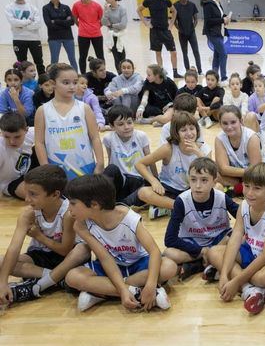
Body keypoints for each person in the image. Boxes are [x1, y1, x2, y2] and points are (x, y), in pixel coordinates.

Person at [64, 174, 177, 311]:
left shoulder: (127, 217)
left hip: (137, 264)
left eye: (73, 203)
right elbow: (105, 258)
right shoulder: (80, 225)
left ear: (94, 204)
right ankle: (135, 292)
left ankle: (101, 293)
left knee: (169, 267)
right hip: (110, 268)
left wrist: (151, 285)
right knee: (72, 277)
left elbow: (154, 251)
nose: (69, 209)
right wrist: (123, 290)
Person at [203, 163, 265, 314]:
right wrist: (224, 275)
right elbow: (235, 239)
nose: (249, 193)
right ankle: (251, 289)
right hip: (252, 253)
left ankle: (245, 282)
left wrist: (235, 281)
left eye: (257, 188)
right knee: (213, 252)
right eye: (246, 186)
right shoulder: (244, 205)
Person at [0, 166, 80, 305]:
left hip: (66, 258)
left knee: (81, 251)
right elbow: (14, 249)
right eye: (26, 193)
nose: (26, 199)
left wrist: (39, 236)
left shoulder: (68, 213)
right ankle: (55, 279)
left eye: (33, 194)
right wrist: (3, 282)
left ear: (55, 194)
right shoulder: (28, 214)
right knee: (2, 261)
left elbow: (65, 250)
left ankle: (46, 280)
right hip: (40, 256)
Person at [163, 157, 238, 280]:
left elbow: (243, 219)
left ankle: (196, 265)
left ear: (214, 182)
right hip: (194, 242)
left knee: (237, 237)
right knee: (169, 253)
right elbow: (170, 239)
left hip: (219, 240)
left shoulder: (222, 197)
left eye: (204, 180)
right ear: (189, 180)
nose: (198, 185)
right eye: (193, 180)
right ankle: (211, 262)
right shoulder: (181, 201)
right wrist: (202, 251)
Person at [136, 112, 212, 219]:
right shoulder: (169, 148)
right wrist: (154, 181)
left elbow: (213, 175)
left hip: (193, 190)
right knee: (143, 192)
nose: (189, 133)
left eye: (192, 128)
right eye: (183, 130)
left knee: (217, 187)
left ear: (197, 130)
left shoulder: (204, 149)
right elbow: (140, 164)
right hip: (169, 189)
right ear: (176, 133)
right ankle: (184, 207)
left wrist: (198, 153)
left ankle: (168, 207)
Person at [34, 63, 103, 179]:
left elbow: (95, 137)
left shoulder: (84, 108)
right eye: (66, 83)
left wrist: (100, 163)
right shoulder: (42, 111)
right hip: (56, 170)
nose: (72, 86)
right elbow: (39, 142)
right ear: (52, 83)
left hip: (86, 167)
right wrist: (45, 166)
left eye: (75, 82)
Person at [102, 105, 153, 206]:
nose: (126, 127)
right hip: (122, 181)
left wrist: (154, 179)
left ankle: (122, 204)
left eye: (129, 122)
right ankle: (109, 202)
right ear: (112, 127)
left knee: (140, 189)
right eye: (120, 124)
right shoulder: (108, 139)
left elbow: (150, 160)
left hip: (138, 180)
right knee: (110, 168)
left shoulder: (141, 136)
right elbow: (110, 159)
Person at [136, 0, 180, 79]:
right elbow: (139, 10)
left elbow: (174, 11)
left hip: (165, 30)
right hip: (154, 31)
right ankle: (160, 72)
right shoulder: (148, 1)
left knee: (173, 52)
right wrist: (145, 22)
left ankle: (175, 72)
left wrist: (171, 23)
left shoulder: (166, 0)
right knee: (158, 52)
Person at [215, 105, 263, 189]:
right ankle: (241, 187)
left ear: (241, 121)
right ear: (220, 124)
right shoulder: (219, 138)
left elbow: (256, 169)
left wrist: (230, 171)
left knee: (259, 177)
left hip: (255, 174)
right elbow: (223, 169)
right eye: (225, 123)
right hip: (241, 175)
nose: (229, 127)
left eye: (233, 122)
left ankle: (237, 188)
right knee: (212, 173)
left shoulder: (251, 137)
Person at [6, 0, 44, 74]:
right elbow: (13, 22)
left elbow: (38, 24)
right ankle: (23, 82)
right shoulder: (9, 7)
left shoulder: (33, 8)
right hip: (18, 38)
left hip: (34, 39)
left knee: (39, 62)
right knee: (21, 63)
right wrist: (28, 21)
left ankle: (42, 83)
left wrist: (21, 25)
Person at [0, 113, 35, 200]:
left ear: (26, 130)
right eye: (7, 137)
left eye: (17, 137)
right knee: (36, 195)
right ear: (1, 132)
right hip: (11, 183)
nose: (12, 141)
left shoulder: (32, 133)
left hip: (30, 172)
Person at [72, 0, 104, 76]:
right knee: (82, 56)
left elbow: (102, 20)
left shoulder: (97, 6)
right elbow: (75, 19)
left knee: (100, 56)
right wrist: (82, 27)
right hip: (83, 35)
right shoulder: (76, 5)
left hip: (96, 34)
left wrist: (96, 27)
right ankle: (83, 75)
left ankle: (101, 73)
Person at [42, 0, 77, 71]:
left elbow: (72, 22)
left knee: (72, 59)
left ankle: (76, 76)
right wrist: (64, 21)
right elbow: (49, 24)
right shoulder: (46, 8)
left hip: (68, 37)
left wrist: (56, 21)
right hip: (54, 38)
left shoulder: (66, 7)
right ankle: (53, 78)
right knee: (54, 60)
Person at [200, 0, 230, 83]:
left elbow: (219, 15)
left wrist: (225, 17)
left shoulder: (217, 3)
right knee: (223, 54)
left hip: (219, 32)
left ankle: (214, 76)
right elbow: (208, 21)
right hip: (212, 33)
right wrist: (222, 20)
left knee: (217, 55)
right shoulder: (208, 4)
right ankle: (224, 78)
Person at [174, 0, 202, 75]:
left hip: (191, 33)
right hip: (182, 33)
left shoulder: (192, 5)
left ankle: (200, 70)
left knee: (196, 51)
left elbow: (196, 19)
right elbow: (174, 21)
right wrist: (180, 29)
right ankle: (187, 70)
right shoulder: (175, 5)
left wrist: (192, 28)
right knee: (184, 52)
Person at [101, 0, 127, 72]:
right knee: (116, 58)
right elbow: (103, 22)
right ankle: (119, 75)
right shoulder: (107, 9)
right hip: (111, 36)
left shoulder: (122, 9)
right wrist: (105, 11)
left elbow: (123, 25)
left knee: (122, 57)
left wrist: (112, 25)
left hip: (120, 36)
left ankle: (125, 74)